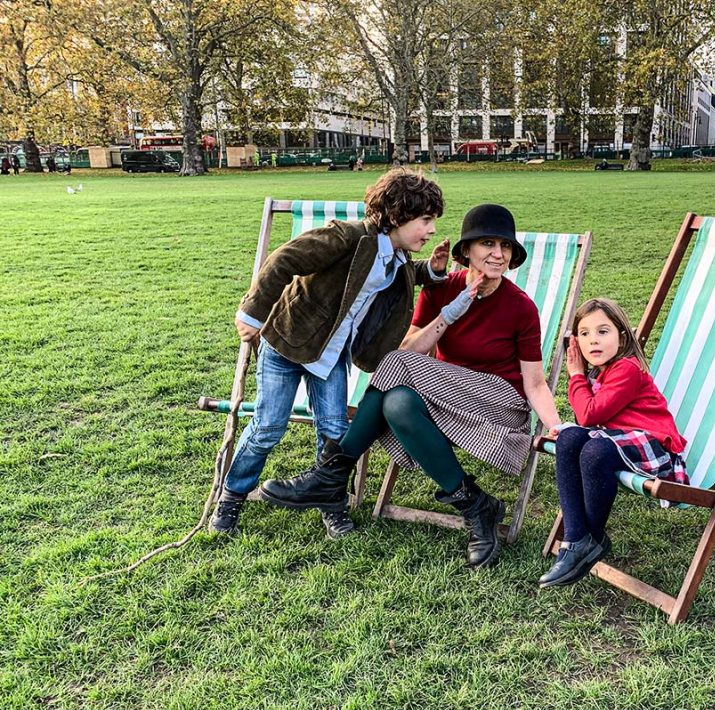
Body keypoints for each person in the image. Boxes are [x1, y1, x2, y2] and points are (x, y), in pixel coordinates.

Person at [261, 204, 563, 569]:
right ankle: (476, 505)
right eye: (487, 243)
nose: (498, 254)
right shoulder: (441, 289)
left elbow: (534, 382)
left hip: (498, 403)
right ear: (466, 251)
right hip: (444, 398)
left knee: (394, 363)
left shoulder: (520, 307)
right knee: (397, 403)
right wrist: (452, 312)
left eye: (506, 246)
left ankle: (331, 474)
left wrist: (555, 425)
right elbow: (410, 351)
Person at [211, 169, 451, 540]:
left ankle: (331, 501)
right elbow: (285, 259)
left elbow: (391, 275)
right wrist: (252, 313)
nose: (432, 229)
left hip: (330, 354)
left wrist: (431, 271)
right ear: (397, 215)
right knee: (268, 427)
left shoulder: (398, 256)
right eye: (425, 220)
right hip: (287, 343)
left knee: (335, 431)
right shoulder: (347, 237)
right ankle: (232, 496)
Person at [539, 299, 688, 588]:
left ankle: (591, 537)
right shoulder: (601, 372)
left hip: (654, 449)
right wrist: (583, 380)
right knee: (569, 439)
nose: (593, 340)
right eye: (584, 333)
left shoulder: (627, 369)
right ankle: (575, 539)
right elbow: (587, 421)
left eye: (603, 331)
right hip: (619, 443)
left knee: (594, 450)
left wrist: (576, 375)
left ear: (622, 337)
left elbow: (588, 414)